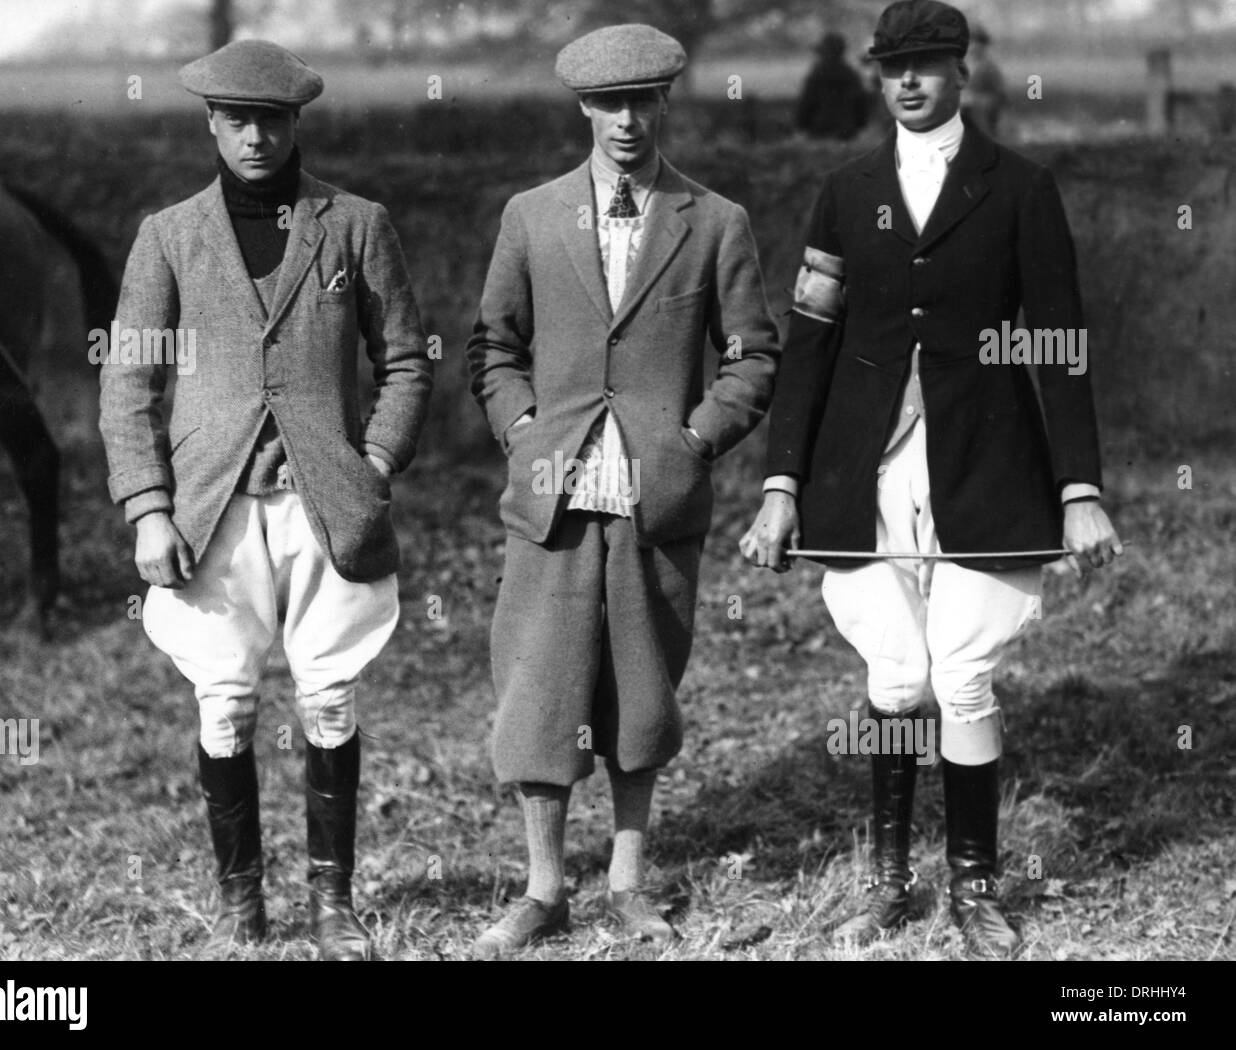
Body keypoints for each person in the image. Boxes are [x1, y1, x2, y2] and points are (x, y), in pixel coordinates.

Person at [740, 0, 1120, 959]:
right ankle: (887, 880)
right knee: (897, 678)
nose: (907, 82)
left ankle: (975, 888)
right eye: (892, 67)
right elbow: (811, 346)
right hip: (862, 473)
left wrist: (1079, 488)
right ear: (876, 78)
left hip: (986, 466)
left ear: (962, 71)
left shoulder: (1021, 189)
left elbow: (1059, 345)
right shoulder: (845, 191)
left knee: (963, 676)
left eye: (927, 64)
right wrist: (782, 483)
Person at [98, 39, 433, 960]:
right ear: (210, 122)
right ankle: (241, 904)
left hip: (326, 508)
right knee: (226, 703)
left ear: (296, 124)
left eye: (272, 119)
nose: (255, 137)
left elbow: (405, 359)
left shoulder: (354, 223)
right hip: (212, 514)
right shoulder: (168, 235)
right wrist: (147, 507)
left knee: (327, 698)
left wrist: (372, 461)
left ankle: (333, 902)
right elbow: (129, 385)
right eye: (237, 119)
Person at [466, 23, 779, 957]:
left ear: (665, 104)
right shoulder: (531, 214)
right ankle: (543, 888)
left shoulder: (714, 220)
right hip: (554, 493)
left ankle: (631, 881)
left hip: (656, 497)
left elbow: (753, 355)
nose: (627, 120)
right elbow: (493, 348)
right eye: (609, 102)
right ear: (583, 109)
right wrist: (524, 432)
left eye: (643, 101)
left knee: (641, 691)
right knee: (540, 685)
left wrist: (690, 439)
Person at [795, 31, 870, 141]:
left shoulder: (817, 75)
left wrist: (801, 126)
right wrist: (858, 126)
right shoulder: (851, 75)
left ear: (825, 52)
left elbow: (806, 103)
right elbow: (861, 106)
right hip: (847, 132)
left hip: (819, 131)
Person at [962, 27, 1006, 136]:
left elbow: (999, 92)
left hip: (983, 105)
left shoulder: (989, 67)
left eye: (978, 43)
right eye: (971, 42)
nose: (974, 47)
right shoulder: (960, 64)